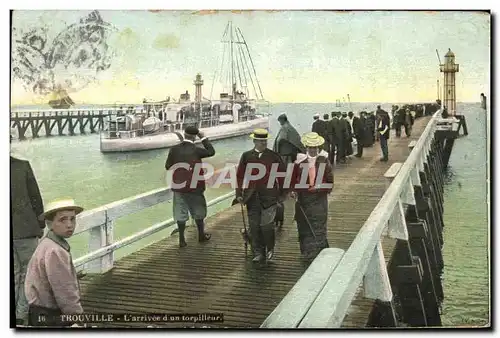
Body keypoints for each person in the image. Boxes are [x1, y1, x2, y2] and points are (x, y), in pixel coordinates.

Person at [25, 199, 84, 327]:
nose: (69, 225)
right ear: (49, 224)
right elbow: (65, 292)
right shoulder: (55, 251)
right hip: (49, 316)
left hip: (38, 311)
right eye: (62, 220)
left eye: (72, 219)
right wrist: (78, 319)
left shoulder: (47, 243)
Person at [235, 129, 287, 263]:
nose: (263, 143)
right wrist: (238, 193)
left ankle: (270, 248)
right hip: (251, 197)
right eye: (260, 141)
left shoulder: (273, 156)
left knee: (267, 226)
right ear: (254, 141)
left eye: (264, 141)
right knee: (254, 227)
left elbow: (282, 176)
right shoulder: (247, 156)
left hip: (270, 197)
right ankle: (258, 252)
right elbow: (240, 176)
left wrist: (282, 194)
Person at [165, 126, 216, 247]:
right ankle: (201, 235)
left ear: (184, 134)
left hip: (179, 187)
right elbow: (211, 151)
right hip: (195, 186)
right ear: (194, 137)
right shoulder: (196, 150)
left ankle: (182, 240)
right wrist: (203, 137)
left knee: (180, 213)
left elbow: (168, 166)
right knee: (198, 212)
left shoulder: (174, 149)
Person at [11, 155, 45, 326]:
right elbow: (35, 199)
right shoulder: (22, 166)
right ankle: (20, 315)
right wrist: (40, 223)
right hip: (25, 230)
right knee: (27, 274)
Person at [290, 132, 333, 261]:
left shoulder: (324, 161)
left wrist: (318, 187)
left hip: (319, 200)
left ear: (318, 148)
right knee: (304, 226)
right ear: (306, 147)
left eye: (315, 147)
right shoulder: (299, 162)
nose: (313, 150)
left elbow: (330, 182)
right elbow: (293, 181)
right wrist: (293, 191)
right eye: (310, 147)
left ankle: (320, 253)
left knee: (319, 225)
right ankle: (307, 252)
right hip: (304, 200)